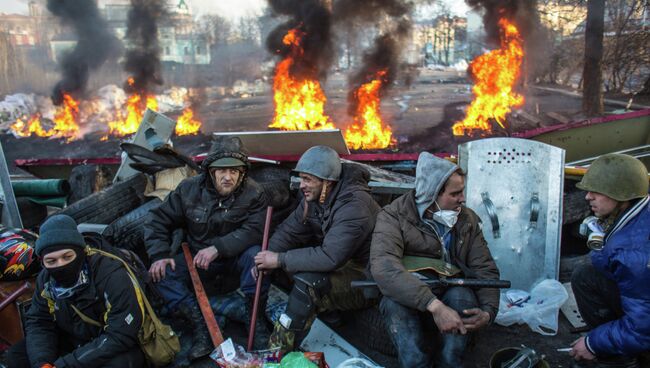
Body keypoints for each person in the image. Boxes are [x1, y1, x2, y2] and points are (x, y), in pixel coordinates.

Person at [370, 152, 500, 368]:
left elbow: (484, 268)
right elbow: (385, 269)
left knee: (462, 297)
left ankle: (449, 362)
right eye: (455, 193)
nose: (463, 199)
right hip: (412, 291)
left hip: (451, 289)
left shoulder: (467, 219)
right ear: (432, 195)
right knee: (397, 313)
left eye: (462, 192)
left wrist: (488, 312)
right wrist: (435, 306)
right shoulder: (393, 217)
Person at [144, 136, 270, 358]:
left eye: (234, 171)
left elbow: (254, 230)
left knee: (258, 258)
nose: (228, 177)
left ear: (242, 173)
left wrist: (218, 248)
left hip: (234, 262)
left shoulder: (255, 193)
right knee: (159, 274)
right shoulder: (188, 190)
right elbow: (157, 220)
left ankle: (255, 322)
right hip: (198, 264)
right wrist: (160, 254)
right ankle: (200, 326)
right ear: (211, 172)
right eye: (222, 171)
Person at [254, 145, 380, 352]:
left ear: (327, 182)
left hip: (367, 275)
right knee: (290, 262)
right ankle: (330, 313)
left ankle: (278, 353)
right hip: (344, 263)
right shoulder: (315, 198)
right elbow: (289, 231)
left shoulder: (354, 206)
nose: (301, 185)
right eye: (301, 178)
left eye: (307, 180)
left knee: (309, 283)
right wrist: (265, 259)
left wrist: (279, 259)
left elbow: (331, 257)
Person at [5, 214, 145, 368]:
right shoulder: (45, 279)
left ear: (80, 252)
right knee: (17, 356)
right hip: (73, 339)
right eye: (51, 261)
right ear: (43, 262)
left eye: (67, 257)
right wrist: (42, 362)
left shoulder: (111, 274)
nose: (61, 265)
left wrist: (65, 364)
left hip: (112, 344)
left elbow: (121, 335)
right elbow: (39, 322)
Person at [570, 153, 649, 368]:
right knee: (586, 275)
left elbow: (643, 326)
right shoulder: (639, 213)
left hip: (645, 325)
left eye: (596, 191)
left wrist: (593, 344)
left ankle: (620, 359)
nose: (588, 197)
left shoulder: (632, 254)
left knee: (585, 275)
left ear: (621, 195)